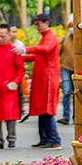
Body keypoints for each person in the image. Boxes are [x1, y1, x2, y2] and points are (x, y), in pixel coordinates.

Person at [24, 12, 64, 147]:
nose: (37, 27)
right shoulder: (45, 37)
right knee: (42, 109)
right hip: (43, 78)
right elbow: (38, 55)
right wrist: (21, 57)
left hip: (48, 78)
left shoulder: (50, 37)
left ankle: (54, 139)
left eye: (38, 24)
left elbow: (44, 50)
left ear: (46, 23)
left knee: (47, 109)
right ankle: (45, 138)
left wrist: (25, 49)